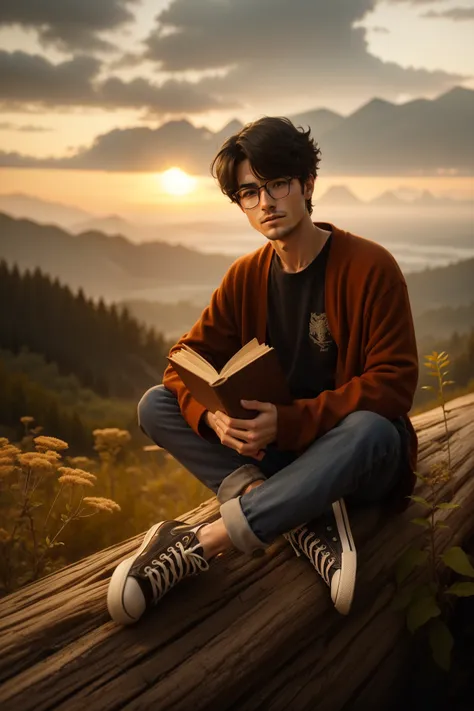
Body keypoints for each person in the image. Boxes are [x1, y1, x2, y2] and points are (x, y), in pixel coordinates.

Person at [107, 117, 419, 626]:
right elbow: (180, 364)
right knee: (155, 404)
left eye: (276, 183)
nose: (265, 202)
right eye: (249, 192)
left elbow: (396, 382)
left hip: (357, 459)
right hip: (274, 455)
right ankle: (296, 509)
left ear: (307, 184)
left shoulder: (370, 266)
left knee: (369, 429)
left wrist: (291, 422)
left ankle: (204, 542)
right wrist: (214, 421)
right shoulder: (246, 276)